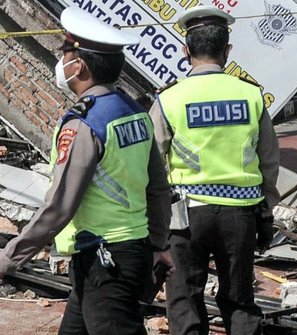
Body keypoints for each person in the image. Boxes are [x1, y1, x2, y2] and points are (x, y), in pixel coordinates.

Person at [0, 7, 173, 334]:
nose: (60, 61)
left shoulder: (85, 123)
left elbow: (59, 206)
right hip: (123, 253)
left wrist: (8, 258)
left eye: (64, 53)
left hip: (106, 261)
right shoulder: (134, 112)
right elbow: (158, 188)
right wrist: (159, 243)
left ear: (78, 64)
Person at [149, 6, 280, 335]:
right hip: (241, 216)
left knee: (184, 300)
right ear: (227, 51)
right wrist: (266, 211)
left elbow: (152, 164)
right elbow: (268, 160)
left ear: (186, 50)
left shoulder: (170, 99)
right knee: (239, 300)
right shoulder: (251, 96)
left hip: (186, 218)